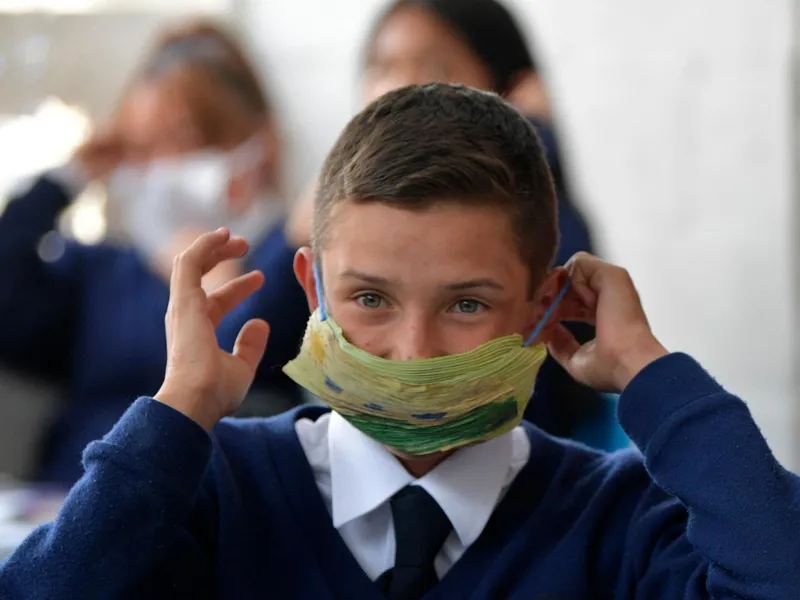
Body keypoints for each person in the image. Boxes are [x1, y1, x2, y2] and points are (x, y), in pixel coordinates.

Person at [1, 83, 798, 599]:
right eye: (371, 299)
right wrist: (176, 413)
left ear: (545, 305)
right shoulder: (214, 491)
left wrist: (652, 375)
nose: (415, 351)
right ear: (313, 290)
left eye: (467, 304)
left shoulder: (617, 520)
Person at [0, 21, 309, 487]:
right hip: (65, 497)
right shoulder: (101, 271)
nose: (161, 166)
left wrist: (211, 278)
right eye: (143, 148)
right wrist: (66, 179)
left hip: (197, 507)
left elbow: (244, 364)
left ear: (255, 145)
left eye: (185, 140)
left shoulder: (285, 263)